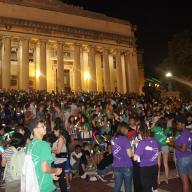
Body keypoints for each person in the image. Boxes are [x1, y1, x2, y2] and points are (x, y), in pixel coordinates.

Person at [26, 119, 62, 192]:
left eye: (45, 126)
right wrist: (55, 170)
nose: (45, 127)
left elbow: (36, 165)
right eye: (42, 126)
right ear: (35, 130)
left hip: (33, 184)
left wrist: (50, 175)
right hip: (44, 186)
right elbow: (45, 168)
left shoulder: (29, 145)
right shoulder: (44, 145)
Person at [168, 115, 192, 192]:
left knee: (185, 183)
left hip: (182, 159)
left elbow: (183, 149)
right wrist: (174, 141)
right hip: (189, 157)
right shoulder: (188, 132)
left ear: (183, 124)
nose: (177, 126)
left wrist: (173, 145)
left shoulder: (184, 134)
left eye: (178, 124)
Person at [111, 122, 133, 192]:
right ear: (124, 129)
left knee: (117, 186)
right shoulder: (125, 139)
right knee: (128, 187)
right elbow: (129, 154)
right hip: (126, 165)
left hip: (116, 165)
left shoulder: (113, 138)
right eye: (127, 129)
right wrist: (133, 150)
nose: (127, 131)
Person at [52, 127, 68, 191]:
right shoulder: (59, 138)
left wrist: (50, 150)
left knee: (61, 179)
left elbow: (58, 151)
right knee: (61, 178)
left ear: (58, 130)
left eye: (54, 131)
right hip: (59, 161)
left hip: (60, 161)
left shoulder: (61, 138)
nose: (54, 133)